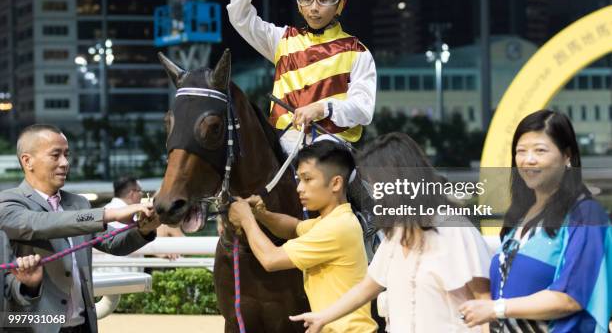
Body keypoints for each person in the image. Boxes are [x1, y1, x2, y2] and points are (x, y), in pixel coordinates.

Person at [290, 132, 492, 332]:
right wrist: (323, 317)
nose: (375, 195)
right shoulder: (395, 235)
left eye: (378, 185)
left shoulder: (455, 230)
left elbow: (484, 302)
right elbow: (365, 289)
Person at [459, 110, 612, 332]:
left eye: (540, 150)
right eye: (521, 151)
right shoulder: (520, 215)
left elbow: (571, 296)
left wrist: (496, 309)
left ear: (567, 156)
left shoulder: (586, 214)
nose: (528, 159)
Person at [227, 0, 376, 154]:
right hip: (280, 144)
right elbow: (240, 18)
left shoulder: (358, 52)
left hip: (332, 146)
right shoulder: (282, 40)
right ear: (299, 4)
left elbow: (363, 109)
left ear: (340, 4)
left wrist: (322, 108)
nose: (314, 7)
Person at [0, 124, 159, 333]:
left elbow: (113, 243)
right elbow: (42, 222)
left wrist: (145, 230)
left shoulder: (79, 203)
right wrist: (109, 213)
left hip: (83, 325)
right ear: (27, 161)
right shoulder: (8, 203)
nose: (65, 163)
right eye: (55, 155)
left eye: (67, 154)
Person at [228, 141, 378, 332]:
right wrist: (260, 214)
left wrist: (246, 219)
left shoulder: (336, 227)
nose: (299, 188)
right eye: (299, 179)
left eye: (307, 179)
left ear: (336, 183)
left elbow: (270, 259)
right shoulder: (333, 221)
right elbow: (293, 228)